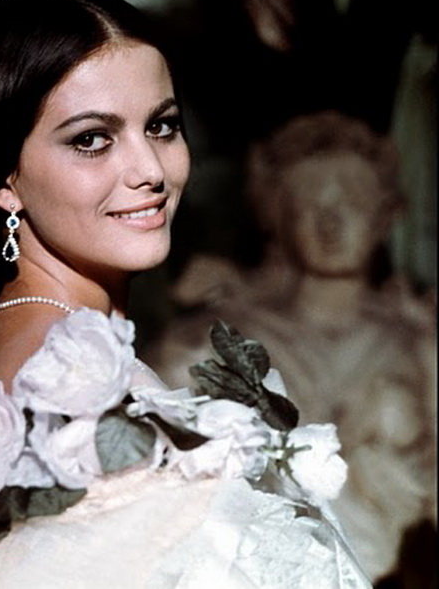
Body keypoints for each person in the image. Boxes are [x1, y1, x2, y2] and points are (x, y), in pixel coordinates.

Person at [0, 0, 371, 588]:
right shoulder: (59, 382)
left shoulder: (23, 337)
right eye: (91, 140)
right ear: (4, 178)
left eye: (161, 127)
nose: (150, 170)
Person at [149, 110, 436, 584]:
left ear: (385, 213)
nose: (331, 222)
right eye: (308, 205)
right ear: (277, 218)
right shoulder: (218, 340)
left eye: (352, 201)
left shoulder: (419, 340)